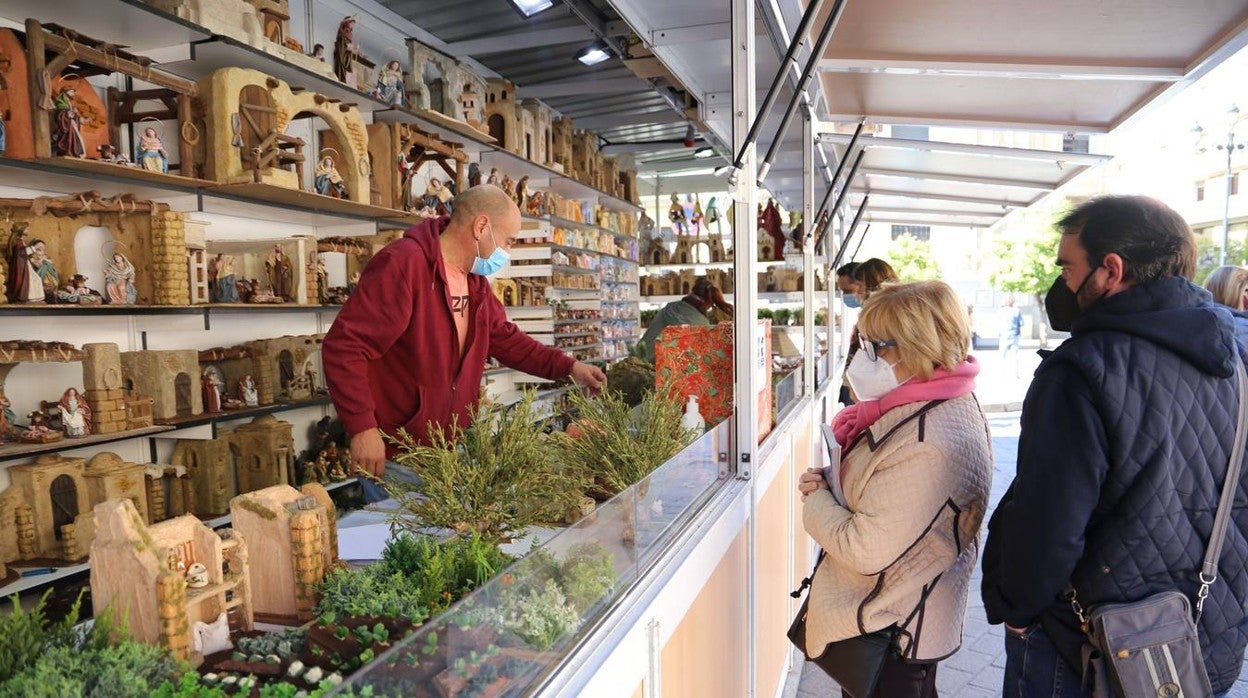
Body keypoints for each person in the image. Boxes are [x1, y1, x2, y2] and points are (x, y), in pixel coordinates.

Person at [980, 195, 1248, 698]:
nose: (1061, 282)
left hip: (1087, 643)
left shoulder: (1081, 369)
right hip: (1201, 634)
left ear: (1111, 269)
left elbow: (1048, 524)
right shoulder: (1238, 354)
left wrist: (1015, 610)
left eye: (1067, 267)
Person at [322, 185, 606, 501]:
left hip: (446, 453)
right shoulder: (405, 264)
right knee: (408, 549)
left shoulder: (476, 283)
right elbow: (344, 346)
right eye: (509, 241)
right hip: (397, 458)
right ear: (481, 226)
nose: (507, 252)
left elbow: (508, 341)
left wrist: (570, 367)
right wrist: (362, 428)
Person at [798, 280, 991, 698]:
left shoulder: (928, 439)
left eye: (875, 347)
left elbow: (865, 548)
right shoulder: (932, 402)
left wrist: (817, 500)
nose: (862, 358)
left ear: (916, 345)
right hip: (903, 614)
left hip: (893, 627)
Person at [840, 258, 898, 406]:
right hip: (866, 385)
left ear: (873, 282)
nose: (858, 291)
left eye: (860, 285)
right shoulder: (873, 312)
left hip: (872, 388)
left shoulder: (882, 314)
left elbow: (878, 352)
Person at [636, 277, 734, 363]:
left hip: (636, 360)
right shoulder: (700, 323)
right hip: (658, 372)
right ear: (709, 303)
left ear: (691, 292)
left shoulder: (669, 307)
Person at [998, 294, 1022, 377]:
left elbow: (999, 323)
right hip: (1014, 335)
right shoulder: (1017, 311)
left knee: (1002, 356)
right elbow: (1022, 323)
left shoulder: (1001, 311)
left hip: (1004, 335)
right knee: (1015, 355)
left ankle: (1001, 373)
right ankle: (1016, 373)